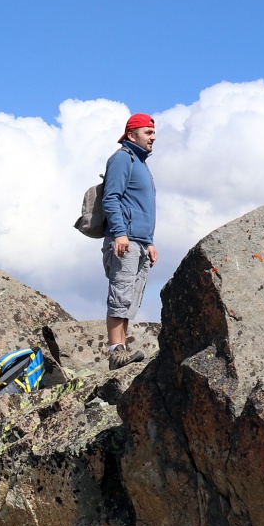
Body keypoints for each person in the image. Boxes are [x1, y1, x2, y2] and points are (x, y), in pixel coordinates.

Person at [102, 113, 158, 370]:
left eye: (153, 133)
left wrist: (149, 242)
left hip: (139, 242)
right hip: (123, 239)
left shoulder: (141, 163)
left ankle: (122, 351)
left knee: (130, 298)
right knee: (120, 293)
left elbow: (140, 206)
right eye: (148, 132)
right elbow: (111, 198)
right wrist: (120, 233)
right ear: (131, 134)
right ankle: (115, 352)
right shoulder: (123, 158)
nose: (153, 137)